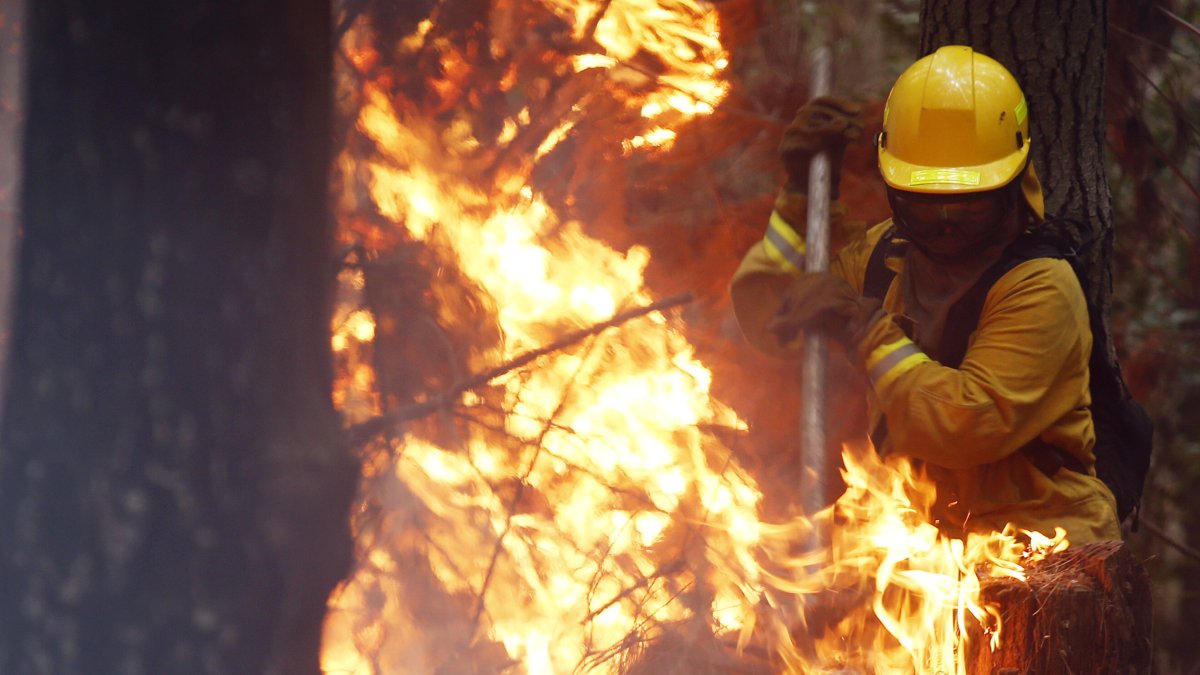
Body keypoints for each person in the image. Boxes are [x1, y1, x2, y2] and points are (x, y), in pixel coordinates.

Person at [730, 45, 1120, 543]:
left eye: (969, 205)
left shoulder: (1041, 286)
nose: (946, 224)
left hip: (1036, 544)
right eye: (925, 204)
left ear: (1012, 187)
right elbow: (773, 319)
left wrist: (862, 329)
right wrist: (800, 196)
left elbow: (964, 424)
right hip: (913, 540)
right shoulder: (880, 258)